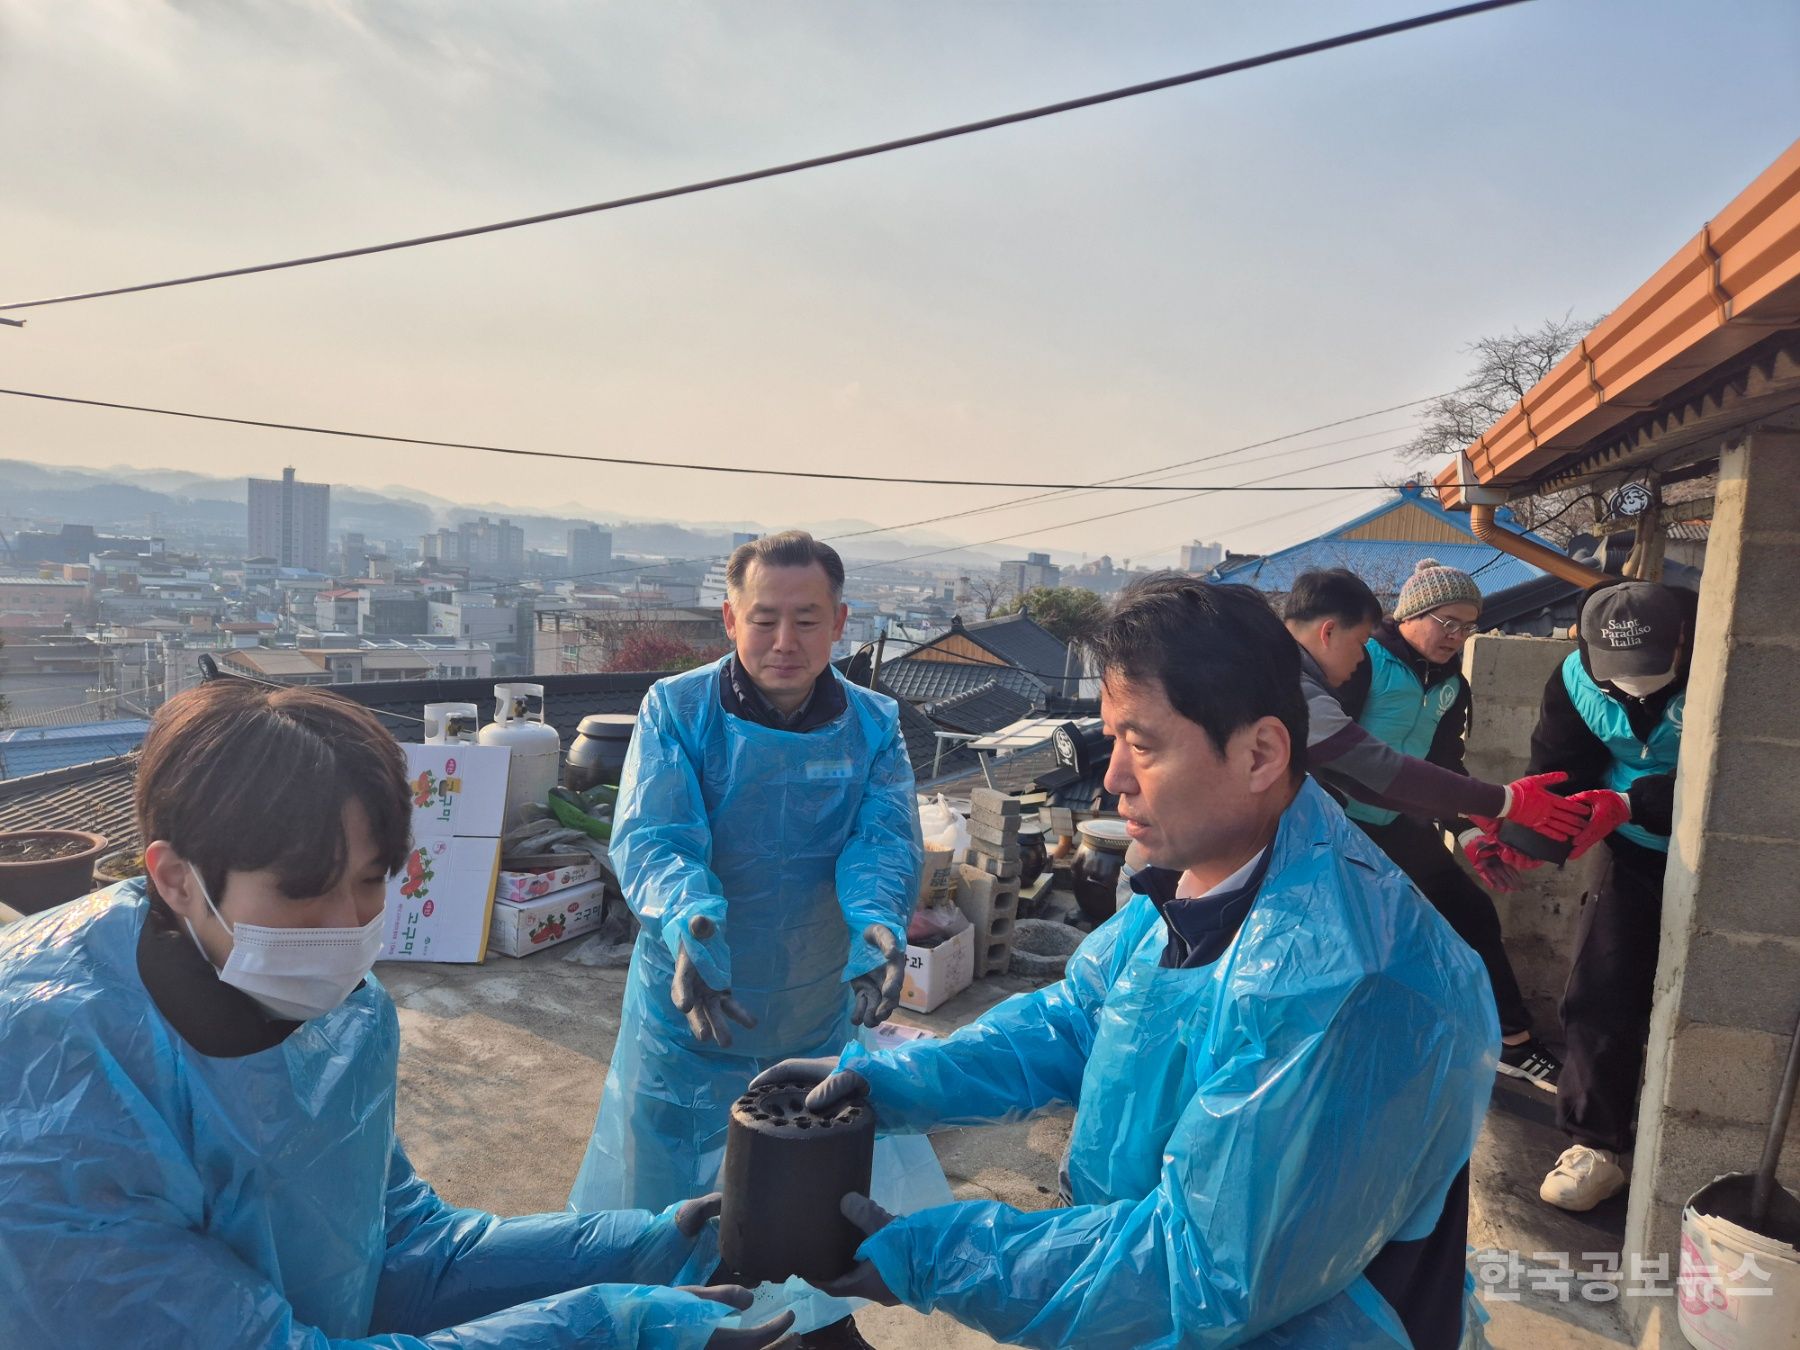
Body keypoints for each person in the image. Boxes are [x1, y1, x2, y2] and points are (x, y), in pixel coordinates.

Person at [757, 577, 1498, 1349]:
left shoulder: (1346, 983)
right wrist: (901, 1083)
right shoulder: (1206, 869)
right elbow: (1084, 1021)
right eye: (1112, 740)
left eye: (1141, 744)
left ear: (1260, 753)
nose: (1111, 778)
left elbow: (1203, 1271)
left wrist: (944, 1256)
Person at [0, 678, 793, 1350]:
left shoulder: (339, 1015)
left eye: (374, 878)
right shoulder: (56, 1092)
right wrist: (601, 1328)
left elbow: (400, 1246)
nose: (349, 924)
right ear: (176, 878)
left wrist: (652, 1241)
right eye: (303, 890)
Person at [569, 531, 934, 1350]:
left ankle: (818, 1321)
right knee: (672, 1191)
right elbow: (658, 839)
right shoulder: (678, 709)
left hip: (811, 1002)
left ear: (840, 623)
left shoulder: (873, 724)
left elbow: (883, 841)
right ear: (730, 618)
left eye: (806, 620)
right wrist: (691, 922)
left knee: (814, 1176)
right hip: (695, 1004)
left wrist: (878, 924)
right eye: (764, 618)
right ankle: (677, 1328)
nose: (784, 642)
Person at [1328, 558, 1572, 1090]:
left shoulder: (1451, 686)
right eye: (1448, 622)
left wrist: (1469, 834)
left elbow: (1443, 769)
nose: (1458, 637)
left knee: (1470, 913)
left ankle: (1513, 1043)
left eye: (1468, 627)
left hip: (1399, 823)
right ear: (1412, 614)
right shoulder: (1363, 660)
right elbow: (1327, 748)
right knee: (1360, 937)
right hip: (1337, 823)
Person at [1524, 581, 1692, 1212]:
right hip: (1632, 849)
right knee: (1600, 988)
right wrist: (1527, 836)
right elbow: (1561, 772)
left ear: (1680, 638)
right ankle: (1596, 1146)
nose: (1634, 685)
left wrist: (1631, 801)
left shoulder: (1730, 664)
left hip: (1721, 854)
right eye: (1618, 673)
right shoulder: (1573, 681)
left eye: (1649, 668)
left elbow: (1740, 773)